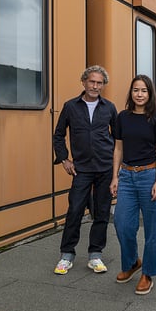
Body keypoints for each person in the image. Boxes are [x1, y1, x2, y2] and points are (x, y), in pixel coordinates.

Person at [52, 65, 117, 275]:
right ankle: (67, 256)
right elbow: (58, 135)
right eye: (92, 81)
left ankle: (95, 255)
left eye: (99, 83)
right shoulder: (70, 107)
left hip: (105, 168)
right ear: (84, 82)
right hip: (81, 169)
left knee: (101, 213)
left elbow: (118, 139)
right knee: (75, 211)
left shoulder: (109, 108)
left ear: (103, 85)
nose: (95, 86)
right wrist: (64, 159)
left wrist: (117, 169)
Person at [110, 74, 156, 295]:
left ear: (150, 93)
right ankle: (133, 262)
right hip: (126, 177)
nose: (140, 94)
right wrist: (115, 177)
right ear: (131, 93)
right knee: (122, 224)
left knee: (153, 230)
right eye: (136, 90)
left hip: (149, 176)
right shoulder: (122, 117)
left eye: (144, 90)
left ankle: (148, 273)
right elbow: (118, 149)